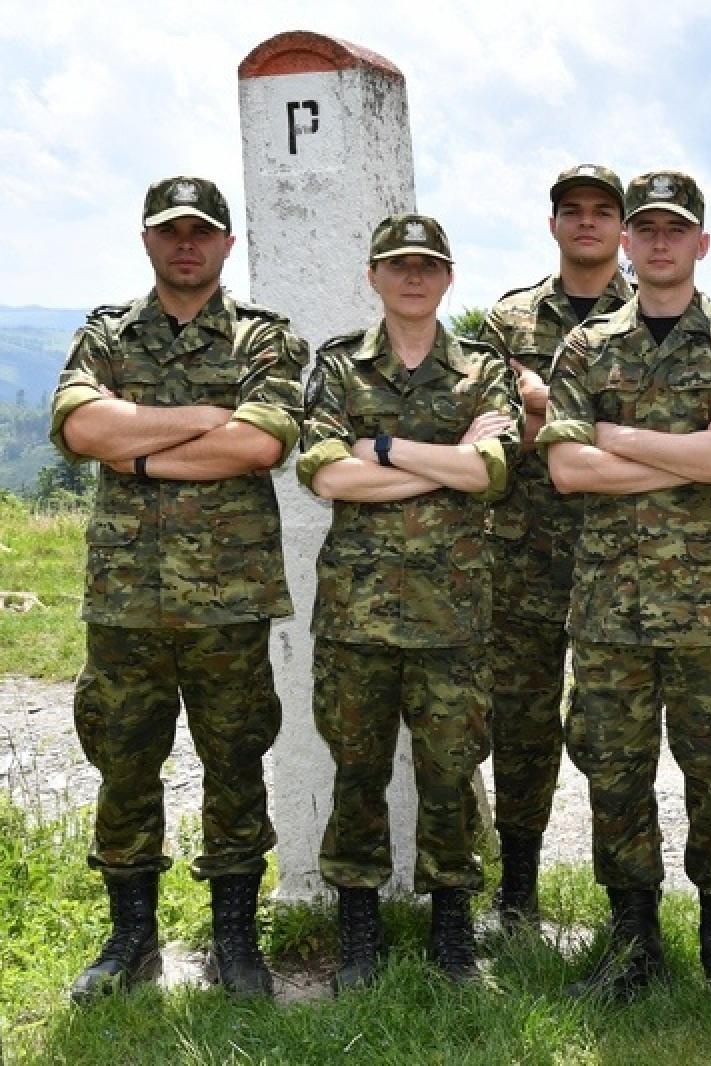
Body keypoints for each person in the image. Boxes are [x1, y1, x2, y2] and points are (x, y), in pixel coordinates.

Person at [49, 175, 306, 1001]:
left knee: (235, 761)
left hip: (228, 599)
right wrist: (207, 415)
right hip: (125, 597)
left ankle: (236, 939)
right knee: (125, 762)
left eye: (201, 231)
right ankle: (132, 939)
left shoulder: (264, 337)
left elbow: (262, 444)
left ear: (227, 244)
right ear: (148, 241)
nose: (185, 243)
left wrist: (139, 447)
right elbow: (80, 426)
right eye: (170, 231)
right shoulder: (107, 332)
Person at [538, 170, 711, 1002]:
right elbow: (569, 471)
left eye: (673, 229)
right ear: (625, 240)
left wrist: (616, 436)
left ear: (701, 243)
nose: (656, 241)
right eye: (643, 228)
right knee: (614, 773)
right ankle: (633, 941)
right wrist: (684, 452)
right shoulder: (584, 347)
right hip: (609, 607)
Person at [297, 214, 520, 989]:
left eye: (428, 264)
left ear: (448, 277)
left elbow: (493, 473)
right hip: (356, 616)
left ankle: (452, 930)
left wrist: (383, 449)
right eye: (397, 265)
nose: (413, 276)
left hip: (453, 616)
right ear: (374, 277)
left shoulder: (482, 370)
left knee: (450, 775)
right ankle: (357, 925)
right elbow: (327, 476)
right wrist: (448, 461)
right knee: (356, 769)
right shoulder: (337, 367)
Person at [477, 165, 632, 929]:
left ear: (623, 227)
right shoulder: (507, 320)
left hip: (624, 558)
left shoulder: (652, 317)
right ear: (553, 225)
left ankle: (622, 899)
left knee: (611, 731)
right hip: (521, 552)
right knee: (520, 724)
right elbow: (493, 433)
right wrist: (597, 423)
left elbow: (671, 433)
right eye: (573, 211)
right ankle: (518, 890)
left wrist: (545, 400)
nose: (587, 224)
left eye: (603, 212)